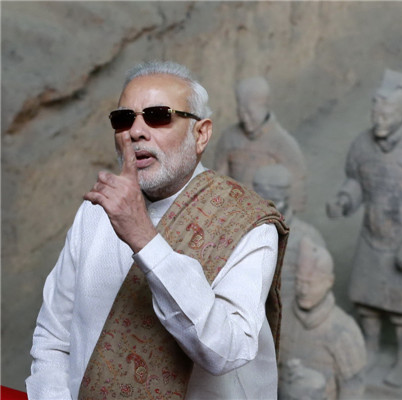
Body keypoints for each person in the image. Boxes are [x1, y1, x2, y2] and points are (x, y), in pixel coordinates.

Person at [26, 61, 289, 400]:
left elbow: (225, 351)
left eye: (158, 116)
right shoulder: (95, 212)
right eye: (124, 119)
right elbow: (53, 339)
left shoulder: (247, 222)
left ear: (201, 134)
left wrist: (144, 238)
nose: (135, 131)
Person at [326, 69, 402, 388]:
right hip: (371, 235)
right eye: (375, 113)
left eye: (386, 114)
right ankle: (371, 348)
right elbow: (356, 181)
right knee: (367, 300)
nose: (379, 120)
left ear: (401, 112)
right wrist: (344, 200)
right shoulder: (362, 145)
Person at [279, 237, 367, 400]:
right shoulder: (282, 316)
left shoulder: (343, 329)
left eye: (310, 284)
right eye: (299, 282)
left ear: (329, 281)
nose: (303, 291)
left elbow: (352, 388)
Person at [214, 76, 308, 213]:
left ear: (265, 105)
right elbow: (219, 181)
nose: (245, 119)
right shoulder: (229, 138)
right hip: (235, 215)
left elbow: (297, 190)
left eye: (250, 113)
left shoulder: (283, 143)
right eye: (241, 113)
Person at [253, 164, 326, 305]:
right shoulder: (243, 231)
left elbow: (317, 284)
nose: (268, 206)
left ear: (286, 196)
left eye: (275, 199)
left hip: (289, 307)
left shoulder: (307, 236)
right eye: (262, 196)